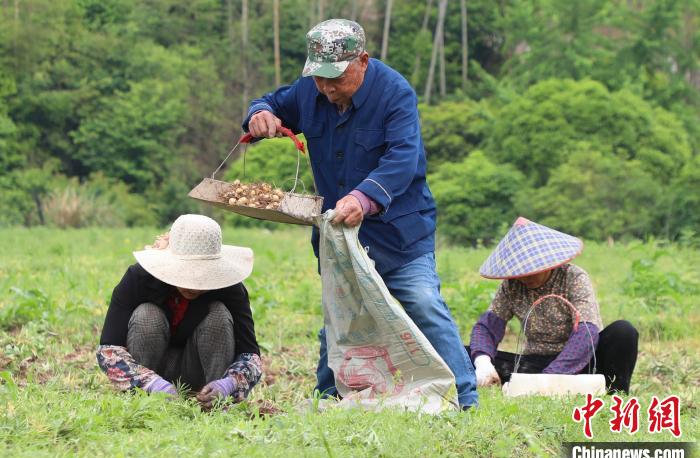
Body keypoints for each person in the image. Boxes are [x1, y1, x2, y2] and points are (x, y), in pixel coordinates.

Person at [243, 19, 478, 408]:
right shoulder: (310, 90)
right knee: (340, 314)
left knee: (421, 302)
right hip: (338, 235)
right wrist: (260, 113)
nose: (326, 87)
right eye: (318, 78)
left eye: (335, 78)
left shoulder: (395, 93)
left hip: (399, 232)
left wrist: (363, 199)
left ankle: (465, 397)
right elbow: (272, 102)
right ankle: (329, 394)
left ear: (363, 61)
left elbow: (402, 159)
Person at [96, 214, 262, 410]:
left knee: (218, 313)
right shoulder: (139, 278)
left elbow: (250, 355)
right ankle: (143, 398)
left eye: (204, 274)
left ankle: (213, 403)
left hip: (200, 373)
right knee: (147, 314)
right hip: (150, 372)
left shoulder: (230, 289)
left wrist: (228, 384)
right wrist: (151, 384)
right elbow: (108, 350)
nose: (194, 284)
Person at [468, 217, 639, 393]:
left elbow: (587, 332)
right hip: (536, 363)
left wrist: (551, 377)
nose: (526, 276)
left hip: (584, 362)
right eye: (521, 271)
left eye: (533, 269)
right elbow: (487, 327)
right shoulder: (511, 285)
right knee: (464, 353)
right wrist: (483, 361)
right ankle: (533, 384)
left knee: (623, 331)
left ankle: (614, 393)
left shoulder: (573, 277)